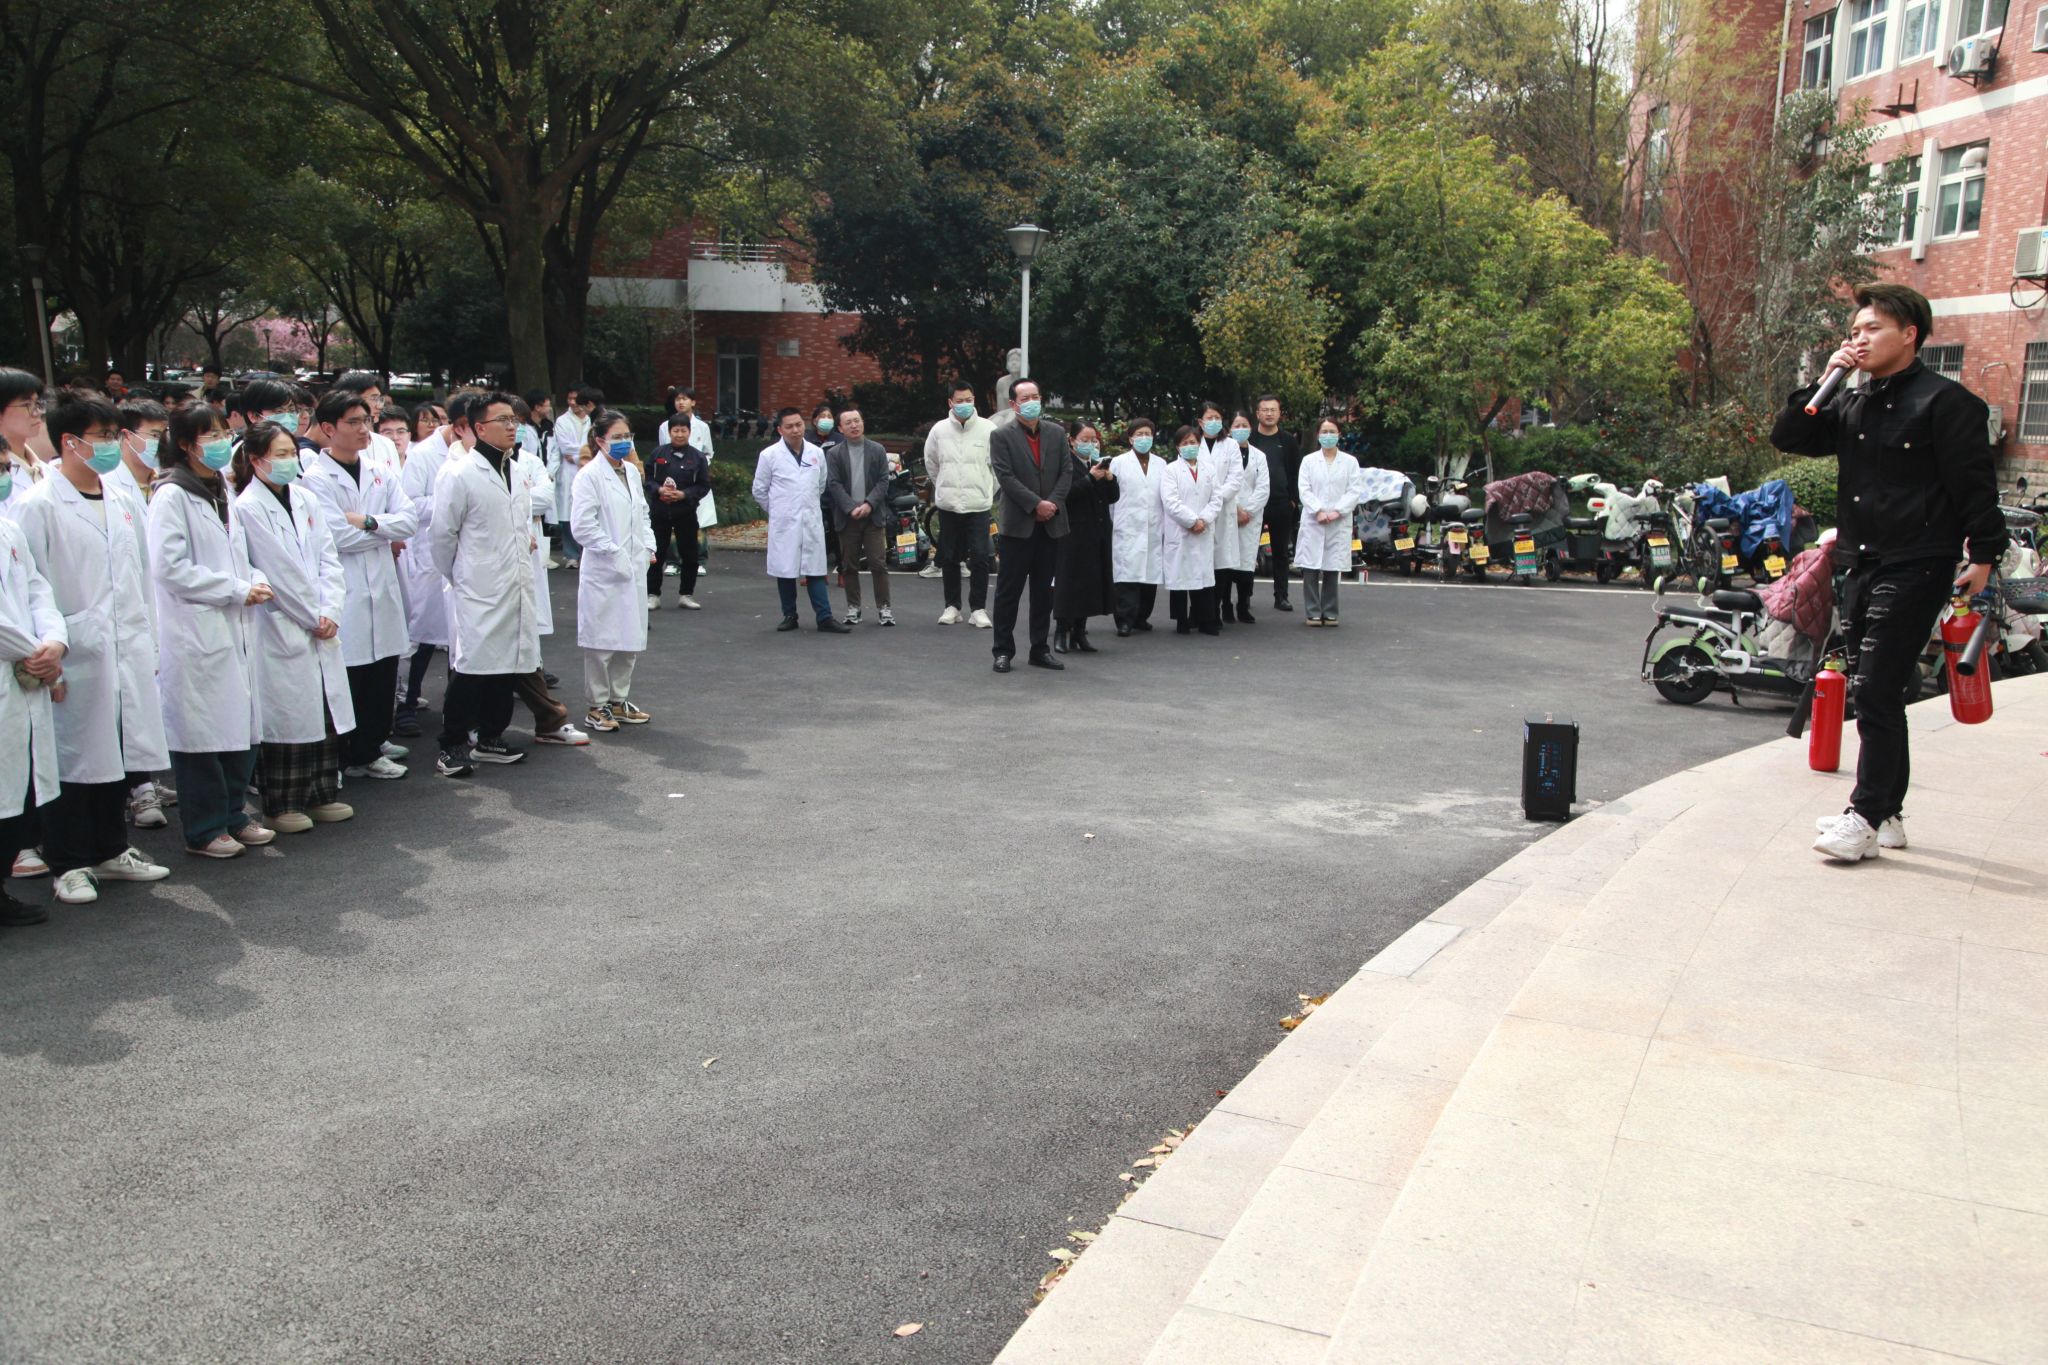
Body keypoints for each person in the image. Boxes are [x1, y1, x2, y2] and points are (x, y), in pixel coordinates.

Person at [1770, 283, 2009, 862]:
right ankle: (1889, 813)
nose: (1860, 339)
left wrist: (1983, 556)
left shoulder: (1946, 404)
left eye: (1872, 328)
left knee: (1876, 687)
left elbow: (1974, 486)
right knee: (1875, 689)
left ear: (1909, 334)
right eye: (1854, 331)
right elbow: (1791, 435)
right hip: (1861, 560)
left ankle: (1865, 814)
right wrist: (1827, 379)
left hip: (1919, 561)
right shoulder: (1853, 402)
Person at [16, 396, 173, 902]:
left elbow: (141, 578)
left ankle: (110, 850)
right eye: (102, 436)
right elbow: (30, 587)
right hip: (72, 655)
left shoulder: (122, 498)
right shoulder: (38, 505)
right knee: (73, 762)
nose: (111, 446)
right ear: (70, 442)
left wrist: (150, 644)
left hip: (125, 648)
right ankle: (68, 863)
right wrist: (48, 663)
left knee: (117, 754)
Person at [148, 409, 274, 859]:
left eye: (223, 431)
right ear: (186, 444)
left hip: (234, 624)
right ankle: (204, 829)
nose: (221, 440)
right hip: (196, 630)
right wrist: (236, 590)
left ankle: (234, 814)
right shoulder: (171, 495)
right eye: (210, 434)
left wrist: (254, 579)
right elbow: (169, 568)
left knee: (241, 728)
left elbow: (238, 553)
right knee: (201, 736)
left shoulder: (222, 488)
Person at [232, 420, 358, 833]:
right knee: (288, 717)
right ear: (256, 460)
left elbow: (328, 559)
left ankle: (321, 793)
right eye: (280, 455)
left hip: (319, 621)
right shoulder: (248, 507)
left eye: (291, 453)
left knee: (322, 711)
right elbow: (278, 571)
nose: (289, 461)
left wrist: (331, 610)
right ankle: (282, 803)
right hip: (281, 623)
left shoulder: (305, 499)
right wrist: (311, 615)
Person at [428, 392, 541, 777]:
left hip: (514, 582)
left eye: (514, 420)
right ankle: (452, 744)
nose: (512, 426)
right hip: (479, 586)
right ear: (479, 428)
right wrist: (460, 575)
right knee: (472, 666)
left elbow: (519, 523)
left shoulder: (517, 470)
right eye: (502, 420)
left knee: (507, 665)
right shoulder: (459, 474)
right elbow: (442, 535)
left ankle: (491, 737)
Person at [306, 390, 414, 778]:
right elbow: (337, 536)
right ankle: (349, 754)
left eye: (366, 421)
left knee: (382, 671)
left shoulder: (379, 470)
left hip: (381, 585)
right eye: (353, 422)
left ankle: (372, 746)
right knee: (350, 675)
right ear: (328, 428)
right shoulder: (316, 479)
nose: (363, 429)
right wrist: (384, 530)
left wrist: (368, 521)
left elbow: (409, 521)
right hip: (346, 587)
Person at [0, 433, 65, 924]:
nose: (4, 477)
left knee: (17, 796)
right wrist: (34, 652)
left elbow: (39, 589)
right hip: (16, 663)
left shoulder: (8, 530)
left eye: (4, 468)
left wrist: (54, 643)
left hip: (24, 674)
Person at [572, 411, 656, 732]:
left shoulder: (631, 473)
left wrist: (648, 546)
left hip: (633, 568)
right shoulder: (589, 476)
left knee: (629, 639)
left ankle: (619, 700)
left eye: (627, 436)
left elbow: (642, 514)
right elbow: (583, 526)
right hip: (604, 571)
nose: (624, 442)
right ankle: (597, 705)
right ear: (600, 440)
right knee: (601, 642)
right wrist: (613, 551)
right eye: (617, 437)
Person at [396, 393, 470, 735]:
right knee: (424, 634)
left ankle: (458, 710)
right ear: (461, 426)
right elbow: (410, 503)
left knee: (462, 637)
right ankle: (406, 702)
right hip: (429, 556)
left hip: (466, 555)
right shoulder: (423, 455)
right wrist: (452, 500)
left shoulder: (477, 453)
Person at [987, 379, 1073, 672]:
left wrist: (1051, 504)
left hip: (1051, 523)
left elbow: (1066, 472)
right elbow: (1006, 477)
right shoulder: (1001, 436)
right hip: (1018, 525)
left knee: (1043, 591)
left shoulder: (1056, 433)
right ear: (1013, 404)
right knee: (1008, 592)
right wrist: (1035, 504)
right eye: (1025, 398)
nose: (1032, 402)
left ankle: (1040, 649)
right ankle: (1003, 651)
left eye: (1035, 396)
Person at [752, 408, 848, 634]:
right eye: (789, 426)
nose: (795, 430)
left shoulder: (816, 453)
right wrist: (779, 511)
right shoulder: (769, 456)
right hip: (784, 522)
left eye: (798, 425)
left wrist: (804, 507)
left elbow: (821, 484)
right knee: (785, 569)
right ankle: (789, 615)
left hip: (810, 519)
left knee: (815, 569)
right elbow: (759, 490)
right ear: (780, 430)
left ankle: (824, 617)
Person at [923, 380, 996, 627]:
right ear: (950, 402)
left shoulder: (988, 429)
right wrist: (945, 487)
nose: (965, 404)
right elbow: (932, 464)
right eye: (959, 401)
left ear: (974, 400)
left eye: (969, 400)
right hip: (949, 506)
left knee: (980, 557)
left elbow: (997, 467)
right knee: (950, 557)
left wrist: (986, 489)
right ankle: (952, 606)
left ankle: (978, 609)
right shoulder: (939, 430)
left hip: (978, 506)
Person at [1053, 422, 1120, 654]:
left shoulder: (1096, 463)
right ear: (1072, 440)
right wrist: (1090, 479)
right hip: (1073, 532)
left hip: (1098, 531)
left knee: (1091, 582)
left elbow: (1113, 497)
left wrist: (1109, 478)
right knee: (1069, 581)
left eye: (1094, 440)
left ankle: (1080, 632)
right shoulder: (1065, 464)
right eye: (1084, 439)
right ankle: (1061, 630)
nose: (1090, 444)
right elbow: (1065, 495)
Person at [826, 407, 896, 626]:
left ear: (863, 422)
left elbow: (883, 481)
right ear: (840, 428)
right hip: (847, 518)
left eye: (857, 420)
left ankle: (884, 608)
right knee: (849, 565)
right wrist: (850, 508)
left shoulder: (877, 450)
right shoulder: (834, 454)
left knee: (878, 563)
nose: (854, 425)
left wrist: (868, 504)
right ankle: (853, 608)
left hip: (872, 516)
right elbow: (834, 484)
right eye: (848, 423)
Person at [1295, 417, 1365, 627]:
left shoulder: (1350, 462)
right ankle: (1313, 611)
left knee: (1332, 567)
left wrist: (1337, 511)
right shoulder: (1308, 461)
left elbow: (1354, 490)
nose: (1328, 436)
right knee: (1311, 567)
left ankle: (1330, 611)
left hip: (1338, 521)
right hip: (1313, 520)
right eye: (1324, 432)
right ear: (1318, 435)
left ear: (1339, 434)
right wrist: (1317, 510)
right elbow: (1304, 489)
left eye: (1332, 431)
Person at [1162, 425, 1224, 636]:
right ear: (1177, 447)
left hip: (1203, 528)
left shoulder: (1209, 469)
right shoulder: (1171, 470)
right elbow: (1171, 502)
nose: (1190, 446)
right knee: (1180, 575)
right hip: (1181, 530)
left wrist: (1203, 519)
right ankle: (1181, 620)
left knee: (1203, 576)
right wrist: (1191, 521)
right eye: (1185, 443)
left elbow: (1217, 498)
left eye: (1193, 442)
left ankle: (1205, 620)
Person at [645, 412, 711, 610]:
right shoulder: (658, 454)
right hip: (660, 512)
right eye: (676, 431)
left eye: (683, 431)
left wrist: (684, 494)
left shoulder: (698, 457)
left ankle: (686, 594)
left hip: (686, 512)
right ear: (669, 432)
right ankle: (653, 594)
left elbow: (704, 486)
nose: (680, 435)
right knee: (656, 554)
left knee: (689, 554)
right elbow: (647, 479)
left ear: (689, 432)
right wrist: (659, 490)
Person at [1108, 418, 1166, 636]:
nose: (1144, 438)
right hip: (1127, 526)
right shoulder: (1118, 463)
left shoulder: (1161, 464)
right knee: (1127, 576)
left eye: (1147, 434)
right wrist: (1116, 522)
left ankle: (1142, 617)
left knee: (1149, 575)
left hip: (1153, 526)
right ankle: (1124, 620)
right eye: (1139, 434)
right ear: (1131, 438)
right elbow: (1111, 497)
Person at [1192, 401, 1247, 625]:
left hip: (1223, 511)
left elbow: (1236, 479)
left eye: (1217, 418)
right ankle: (1197, 613)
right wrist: (1205, 501)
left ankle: (1214, 611)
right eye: (1209, 418)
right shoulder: (1193, 443)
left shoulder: (1231, 445)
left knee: (1221, 564)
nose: (1214, 422)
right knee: (1199, 563)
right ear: (1200, 421)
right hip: (1199, 511)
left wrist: (1215, 498)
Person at [1219, 410, 1270, 622]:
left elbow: (1263, 488)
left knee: (1246, 564)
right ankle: (1226, 605)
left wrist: (1247, 511)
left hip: (1250, 518)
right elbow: (1219, 484)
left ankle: (1243, 605)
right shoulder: (1222, 453)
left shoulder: (1259, 456)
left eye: (1244, 425)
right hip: (1227, 513)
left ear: (1251, 427)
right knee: (1225, 563)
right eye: (1236, 426)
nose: (1240, 429)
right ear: (1229, 429)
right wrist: (1236, 509)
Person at [1251, 395, 1299, 612]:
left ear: (1280, 413)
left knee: (1281, 553)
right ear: (1257, 413)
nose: (1269, 413)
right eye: (1265, 410)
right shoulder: (1250, 439)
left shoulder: (1288, 440)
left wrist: (1293, 500)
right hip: (1254, 505)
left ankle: (1281, 596)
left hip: (1281, 503)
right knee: (1248, 552)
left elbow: (1295, 471)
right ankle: (1245, 598)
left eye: (1273, 410)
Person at [553, 387, 599, 568]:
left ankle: (586, 553)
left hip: (588, 466)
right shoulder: (562, 421)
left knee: (589, 510)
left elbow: (596, 445)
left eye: (575, 399)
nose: (572, 402)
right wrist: (584, 452)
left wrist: (579, 456)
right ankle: (571, 554)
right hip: (569, 471)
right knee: (568, 513)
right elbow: (565, 447)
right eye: (569, 398)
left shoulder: (593, 419)